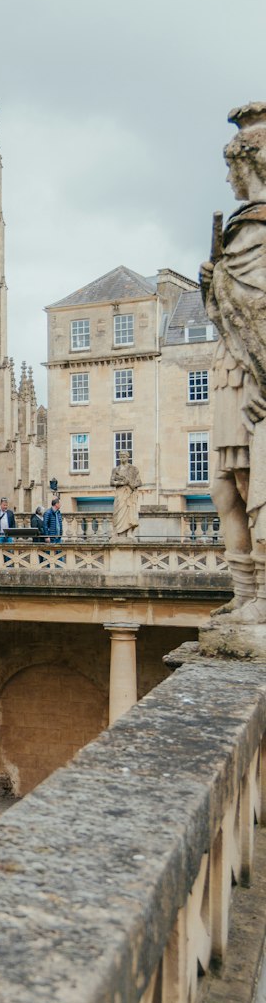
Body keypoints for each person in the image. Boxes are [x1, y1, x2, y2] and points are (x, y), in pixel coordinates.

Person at [200, 102, 266, 619]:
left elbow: (257, 303)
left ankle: (260, 594)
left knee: (250, 482)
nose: (226, 177)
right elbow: (232, 306)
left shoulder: (258, 224)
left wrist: (222, 282)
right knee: (225, 487)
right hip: (229, 362)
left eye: (231, 166)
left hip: (252, 367)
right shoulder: (245, 226)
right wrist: (213, 285)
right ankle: (245, 589)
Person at [111, 451, 143, 537]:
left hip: (129, 494)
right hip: (120, 493)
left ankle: (129, 532)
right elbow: (111, 482)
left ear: (128, 457)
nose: (122, 458)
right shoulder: (116, 469)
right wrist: (121, 483)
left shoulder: (133, 469)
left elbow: (139, 482)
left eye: (124, 456)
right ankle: (118, 532)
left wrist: (130, 484)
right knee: (118, 511)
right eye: (121, 456)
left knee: (129, 511)